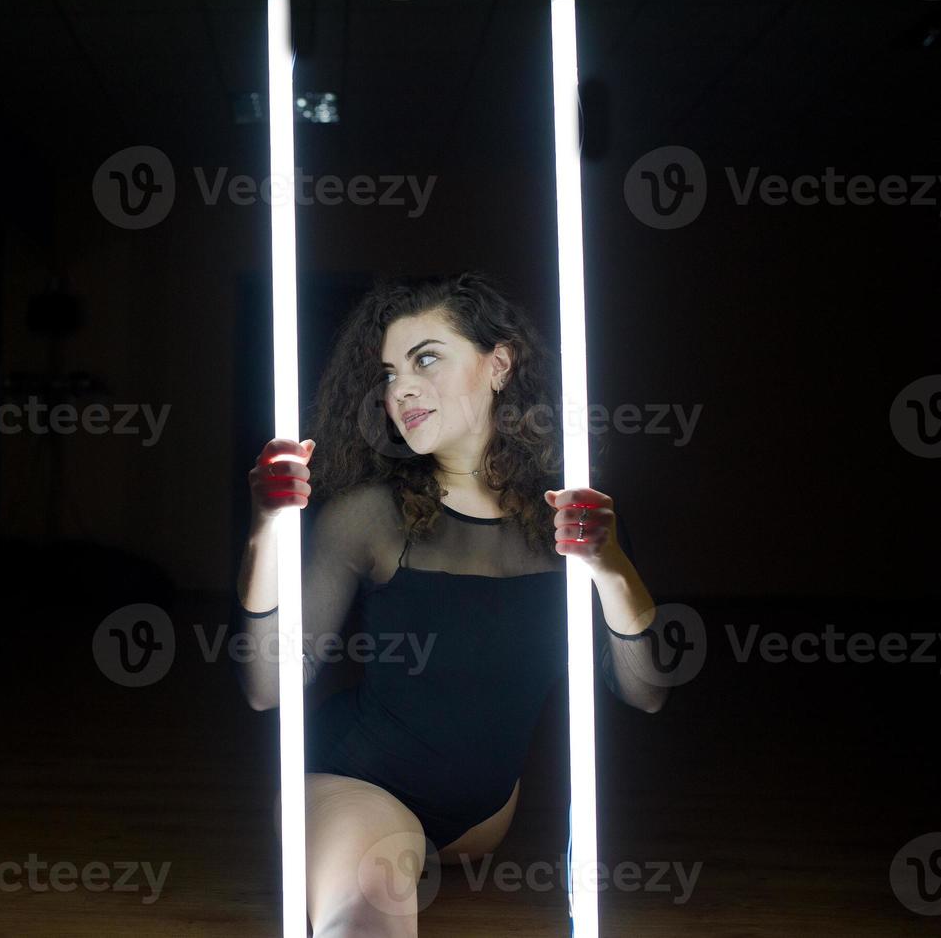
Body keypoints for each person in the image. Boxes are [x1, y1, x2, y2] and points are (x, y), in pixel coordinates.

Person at [234, 271, 668, 937]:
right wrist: (267, 528)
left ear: (498, 365)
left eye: (425, 359)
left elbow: (645, 692)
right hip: (358, 783)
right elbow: (268, 687)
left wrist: (609, 567)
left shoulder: (576, 520)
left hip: (482, 818)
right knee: (367, 911)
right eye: (386, 374)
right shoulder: (369, 518)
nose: (399, 388)